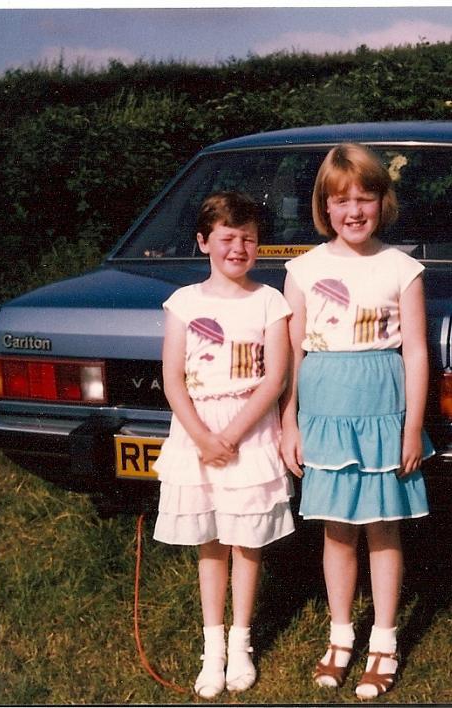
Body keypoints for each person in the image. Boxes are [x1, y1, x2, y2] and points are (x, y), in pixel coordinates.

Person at [280, 143, 434, 700]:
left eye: (364, 199)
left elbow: (416, 351)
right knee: (336, 529)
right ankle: (341, 635)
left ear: (382, 202)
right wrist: (289, 424)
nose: (353, 212)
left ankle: (386, 641)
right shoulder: (302, 269)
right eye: (341, 201)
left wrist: (411, 426)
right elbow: (291, 355)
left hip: (382, 412)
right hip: (324, 412)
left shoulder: (402, 267)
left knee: (382, 529)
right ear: (325, 207)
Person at [152, 191, 295, 699]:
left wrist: (231, 436)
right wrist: (202, 437)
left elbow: (275, 376)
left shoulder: (268, 301)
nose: (238, 248)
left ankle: (241, 643)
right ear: (203, 241)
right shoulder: (184, 302)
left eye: (249, 239)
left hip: (249, 429)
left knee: (246, 538)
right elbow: (172, 379)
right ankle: (212, 649)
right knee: (209, 540)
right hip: (196, 432)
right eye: (227, 238)